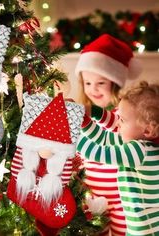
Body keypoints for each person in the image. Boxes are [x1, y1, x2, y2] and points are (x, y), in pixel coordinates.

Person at [74, 34, 142, 236]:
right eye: (87, 83)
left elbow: (119, 137)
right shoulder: (83, 117)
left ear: (115, 83)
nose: (92, 89)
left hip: (122, 198)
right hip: (93, 198)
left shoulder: (124, 115)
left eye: (100, 83)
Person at [76, 81, 159, 236]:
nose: (117, 124)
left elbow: (97, 152)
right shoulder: (143, 145)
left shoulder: (138, 151)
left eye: (122, 120)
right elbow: (104, 138)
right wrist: (85, 118)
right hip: (141, 228)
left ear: (147, 130)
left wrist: (70, 131)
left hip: (145, 231)